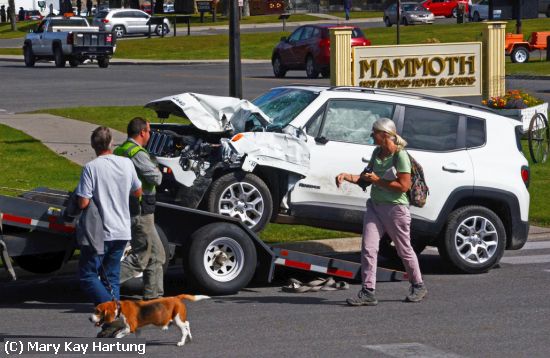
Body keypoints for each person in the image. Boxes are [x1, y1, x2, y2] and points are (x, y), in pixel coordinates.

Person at [335, 117, 427, 306]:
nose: (371, 135)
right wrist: (346, 176)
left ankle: (418, 285)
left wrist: (377, 180)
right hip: (375, 207)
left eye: (374, 132)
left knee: (404, 250)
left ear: (385, 135)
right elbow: (366, 177)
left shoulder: (400, 156)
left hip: (396, 210)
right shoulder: (376, 152)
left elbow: (403, 186)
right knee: (369, 248)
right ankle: (368, 291)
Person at [75, 126, 142, 306]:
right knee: (111, 277)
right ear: (111, 143)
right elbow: (138, 191)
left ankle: (113, 311)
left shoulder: (91, 168)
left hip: (100, 233)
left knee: (88, 275)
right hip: (122, 231)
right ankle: (112, 321)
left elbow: (83, 203)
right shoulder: (126, 163)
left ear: (92, 145)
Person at [115, 117, 165, 301]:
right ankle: (105, 282)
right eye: (149, 131)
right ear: (142, 132)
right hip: (141, 212)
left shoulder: (120, 150)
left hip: (130, 208)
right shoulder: (137, 153)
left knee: (157, 255)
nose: (150, 135)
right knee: (141, 257)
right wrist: (157, 166)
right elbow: (156, 178)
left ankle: (154, 298)